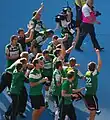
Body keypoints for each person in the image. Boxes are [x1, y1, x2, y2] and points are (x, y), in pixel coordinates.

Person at [84, 49, 102, 120]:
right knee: (94, 111)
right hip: (91, 95)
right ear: (94, 68)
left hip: (87, 94)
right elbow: (100, 65)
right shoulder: (93, 74)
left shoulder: (87, 73)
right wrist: (98, 54)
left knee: (92, 112)